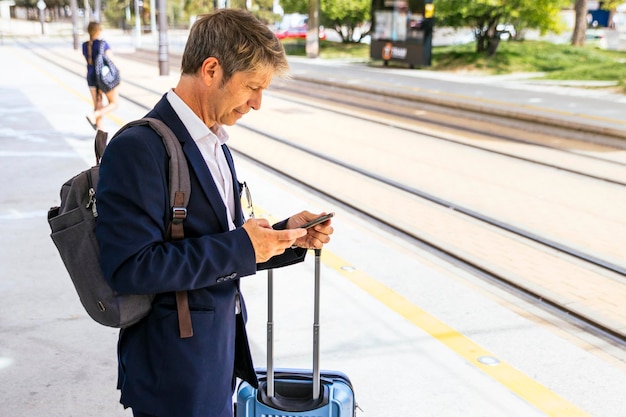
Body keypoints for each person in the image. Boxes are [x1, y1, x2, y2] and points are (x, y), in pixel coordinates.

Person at [95, 9, 334, 417]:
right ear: (210, 70)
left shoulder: (215, 142)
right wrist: (243, 246)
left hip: (213, 358)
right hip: (173, 373)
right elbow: (129, 267)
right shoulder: (138, 148)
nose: (257, 104)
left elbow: (214, 242)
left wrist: (284, 238)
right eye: (252, 87)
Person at [82, 21, 119, 130]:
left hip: (91, 76)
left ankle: (100, 135)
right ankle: (94, 115)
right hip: (103, 77)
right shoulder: (103, 44)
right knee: (115, 103)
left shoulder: (85, 45)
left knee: (97, 104)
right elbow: (110, 60)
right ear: (98, 31)